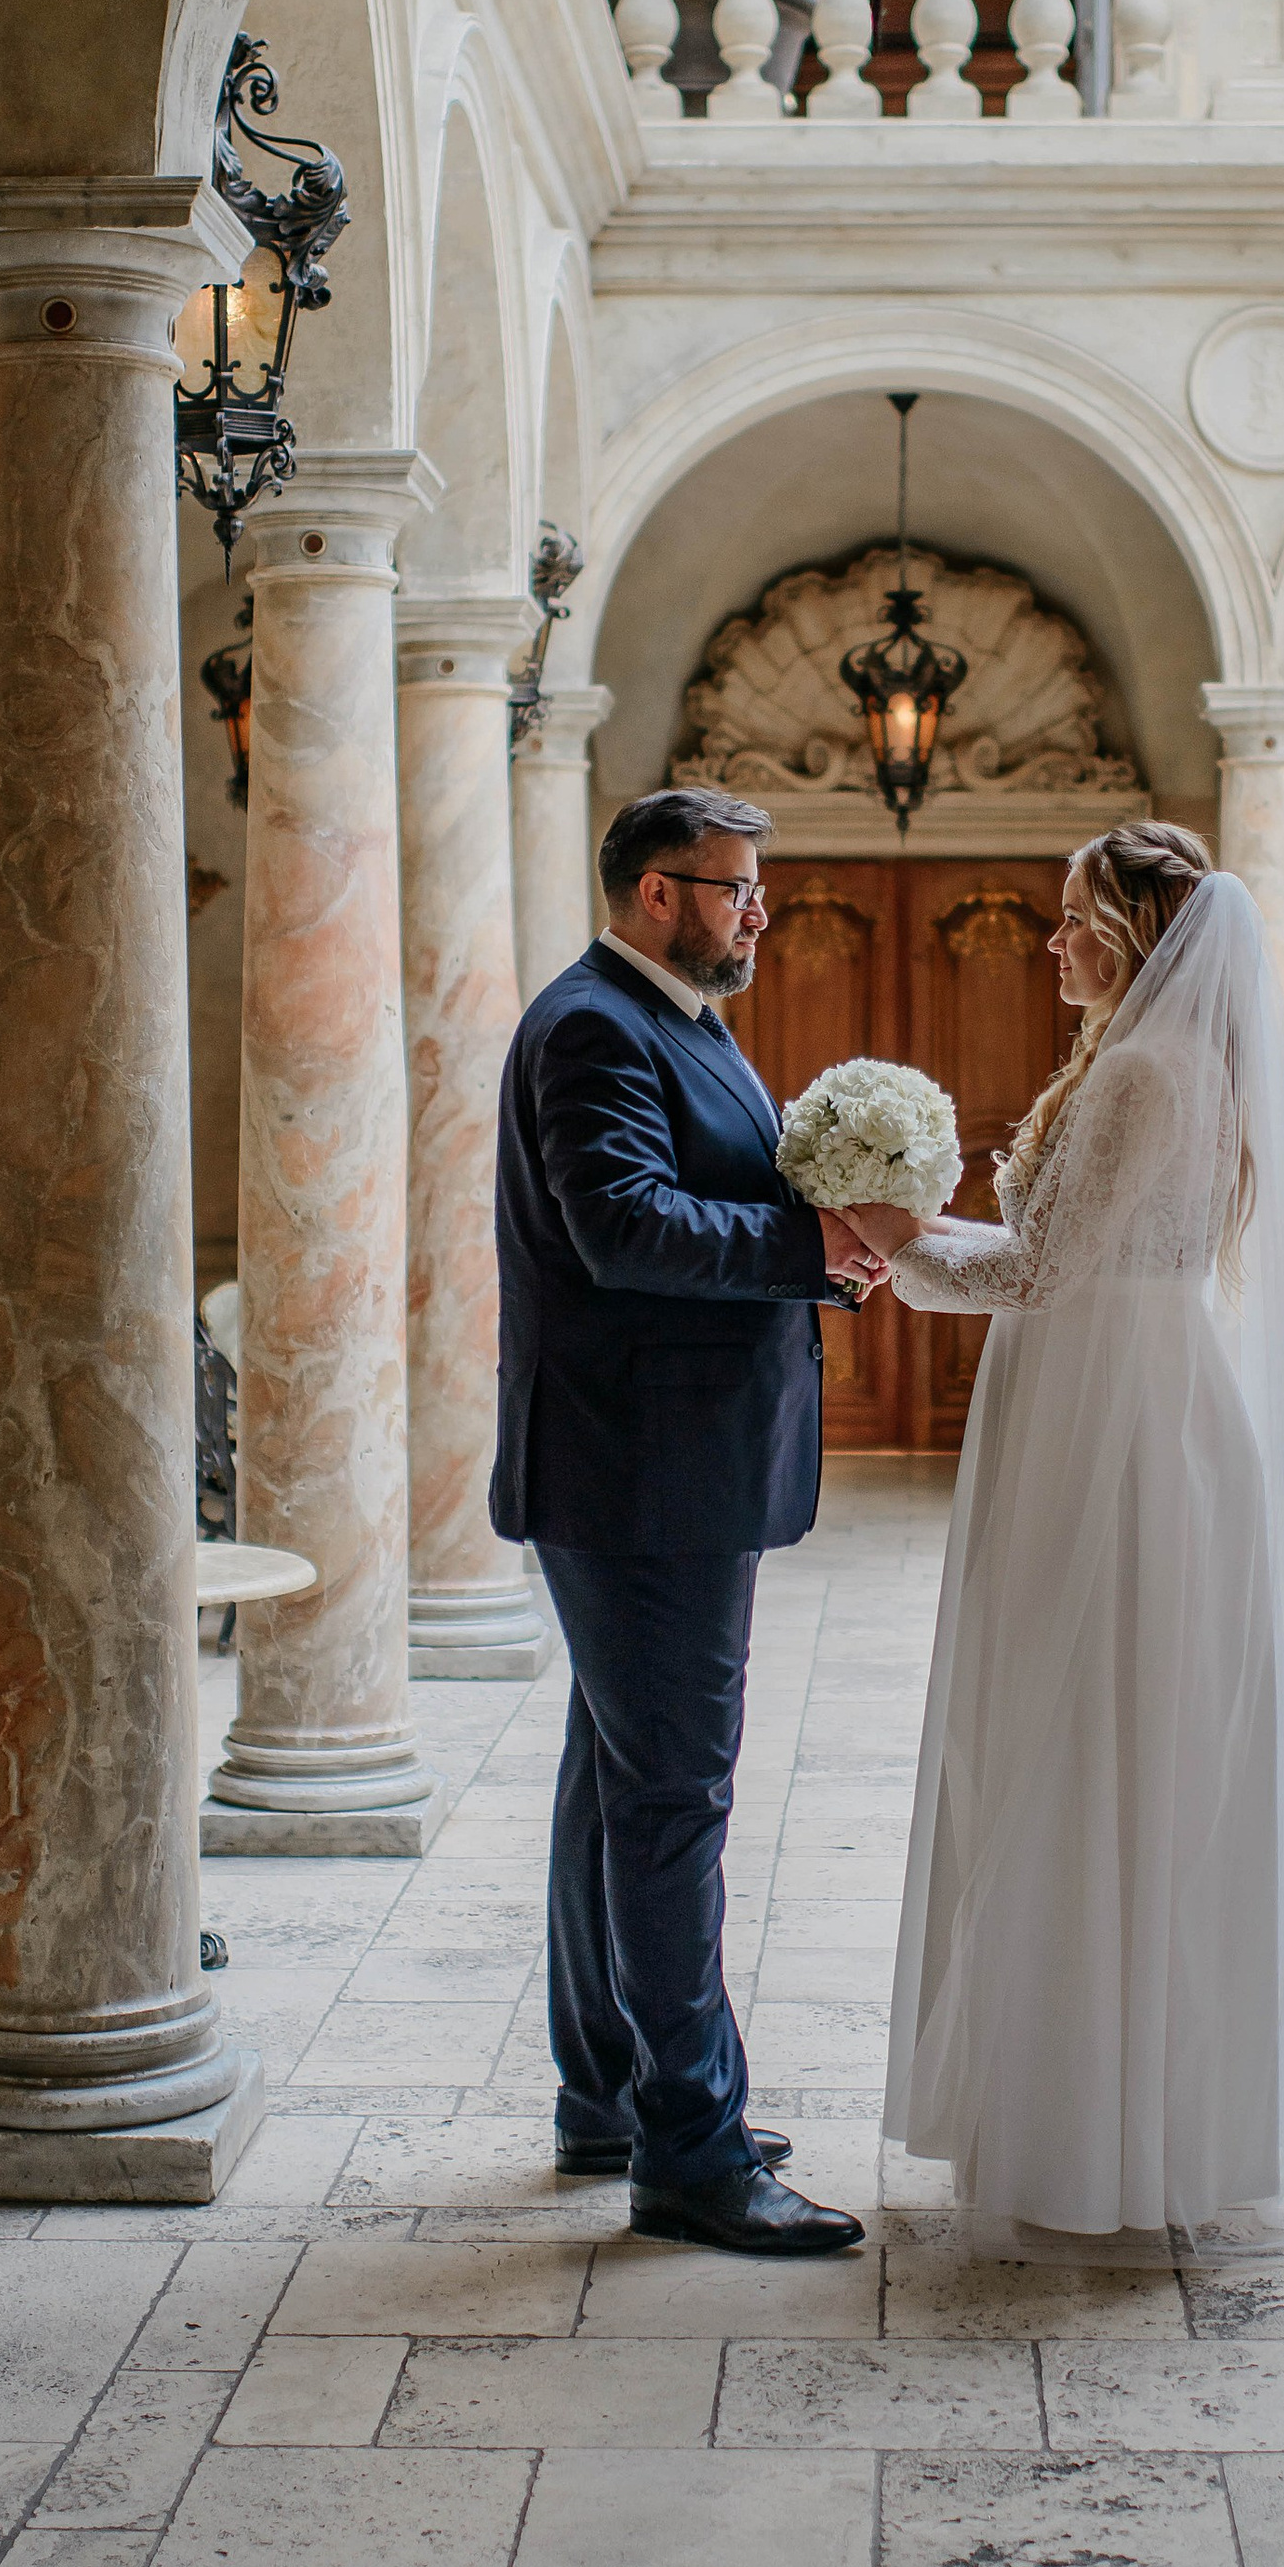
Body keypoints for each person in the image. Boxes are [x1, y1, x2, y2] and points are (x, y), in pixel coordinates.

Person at [844, 822, 1284, 2240]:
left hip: (1110, 1421)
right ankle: (1121, 2112)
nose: (1053, 940)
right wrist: (902, 1238)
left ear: (1131, 933)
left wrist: (889, 1236)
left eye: (1073, 918)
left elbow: (1042, 1271)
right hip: (1116, 1391)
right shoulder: (1163, 1061)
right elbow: (1070, 1260)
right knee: (1114, 1729)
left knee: (1083, 1726)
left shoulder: (1140, 1072)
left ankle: (1090, 2127)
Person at [492, 784, 885, 2256]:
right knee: (672, 1802)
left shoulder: (676, 1021)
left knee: (615, 1782)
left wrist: (823, 1247)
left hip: (657, 1466)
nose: (759, 910)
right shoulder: (595, 1027)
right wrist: (808, 1244)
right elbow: (625, 1225)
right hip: (640, 1477)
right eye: (735, 887)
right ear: (656, 893)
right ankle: (692, 2152)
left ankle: (609, 2094)